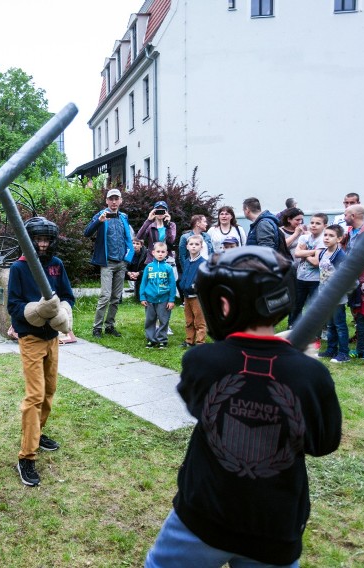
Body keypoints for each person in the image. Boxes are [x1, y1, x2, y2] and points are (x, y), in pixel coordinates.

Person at [145, 246, 342, 568]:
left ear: (222, 302)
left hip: (204, 517)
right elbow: (323, 443)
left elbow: (201, 399)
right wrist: (293, 364)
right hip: (274, 528)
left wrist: (273, 355)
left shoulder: (201, 361)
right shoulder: (310, 375)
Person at [7, 217, 75, 487]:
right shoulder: (19, 268)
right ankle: (27, 456)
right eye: (38, 239)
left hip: (52, 339)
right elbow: (13, 306)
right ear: (29, 239)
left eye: (47, 239)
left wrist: (63, 313)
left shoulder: (57, 266)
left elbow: (68, 295)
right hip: (31, 339)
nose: (43, 244)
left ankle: (37, 433)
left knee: (49, 391)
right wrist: (36, 311)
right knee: (35, 395)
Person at [84, 188, 135, 338]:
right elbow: (87, 233)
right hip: (107, 263)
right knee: (105, 296)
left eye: (116, 199)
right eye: (111, 199)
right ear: (106, 201)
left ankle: (110, 326)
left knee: (116, 297)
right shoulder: (101, 215)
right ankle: (97, 328)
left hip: (121, 263)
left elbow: (128, 239)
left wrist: (127, 258)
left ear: (120, 201)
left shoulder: (124, 217)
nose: (113, 202)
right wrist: (98, 223)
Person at [316, 224, 350, 363]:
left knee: (340, 325)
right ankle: (331, 349)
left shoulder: (340, 256)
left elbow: (347, 278)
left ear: (339, 238)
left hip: (337, 297)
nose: (327, 238)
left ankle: (344, 353)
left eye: (331, 236)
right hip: (325, 295)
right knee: (330, 324)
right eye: (325, 235)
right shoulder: (323, 252)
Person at [291, 213, 327, 328]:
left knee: (314, 306)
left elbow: (316, 262)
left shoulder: (323, 240)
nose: (314, 225)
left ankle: (316, 331)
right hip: (300, 277)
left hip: (315, 280)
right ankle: (293, 326)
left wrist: (304, 253)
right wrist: (313, 252)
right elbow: (296, 253)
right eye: (312, 222)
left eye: (318, 223)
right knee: (297, 304)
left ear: (324, 226)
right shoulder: (303, 237)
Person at [140, 242, 176, 349]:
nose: (160, 254)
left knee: (164, 320)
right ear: (153, 253)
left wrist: (171, 300)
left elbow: (172, 285)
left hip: (164, 300)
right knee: (150, 320)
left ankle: (162, 340)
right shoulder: (149, 267)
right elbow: (143, 283)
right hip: (150, 299)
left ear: (166, 253)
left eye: (163, 252)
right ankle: (151, 340)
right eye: (158, 252)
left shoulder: (168, 268)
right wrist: (142, 297)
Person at [178, 235, 207, 348]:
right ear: (187, 246)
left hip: (197, 297)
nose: (193, 246)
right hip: (186, 296)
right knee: (189, 320)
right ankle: (189, 340)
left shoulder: (203, 263)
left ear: (201, 246)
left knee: (199, 321)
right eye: (191, 244)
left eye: (196, 244)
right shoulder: (186, 261)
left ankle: (200, 343)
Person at [125, 238, 148, 302]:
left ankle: (140, 298)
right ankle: (117, 299)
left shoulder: (146, 253)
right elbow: (122, 265)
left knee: (145, 275)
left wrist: (138, 273)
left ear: (141, 245)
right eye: (133, 243)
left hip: (140, 273)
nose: (135, 245)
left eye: (137, 244)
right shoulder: (127, 251)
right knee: (118, 274)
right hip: (129, 273)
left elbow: (147, 268)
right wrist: (128, 273)